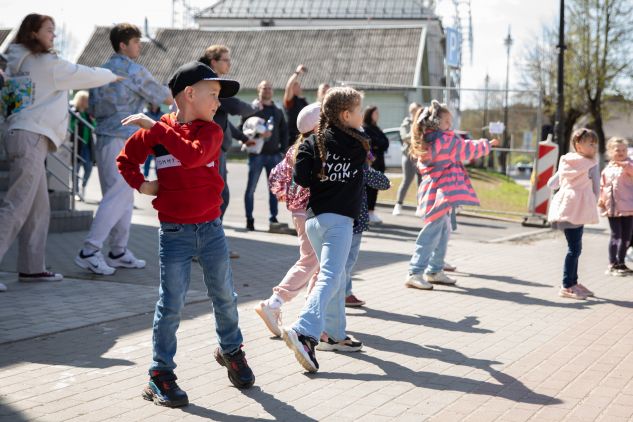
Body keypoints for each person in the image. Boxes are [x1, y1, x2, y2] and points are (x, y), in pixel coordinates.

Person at [117, 61, 255, 407]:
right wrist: (143, 184)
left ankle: (231, 351)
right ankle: (159, 375)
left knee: (224, 295)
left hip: (211, 230)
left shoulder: (211, 131)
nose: (218, 103)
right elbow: (125, 160)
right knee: (172, 304)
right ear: (189, 94)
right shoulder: (157, 131)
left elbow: (193, 157)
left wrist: (156, 129)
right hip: (174, 232)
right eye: (213, 95)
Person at [0, 14, 118, 287]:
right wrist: (112, 75)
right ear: (33, 33)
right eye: (49, 30)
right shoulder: (46, 64)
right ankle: (30, 266)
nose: (53, 35)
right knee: (16, 206)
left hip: (25, 136)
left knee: (39, 209)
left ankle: (32, 268)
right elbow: (82, 74)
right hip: (31, 137)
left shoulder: (18, 61)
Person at [281, 87, 369, 373]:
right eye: (359, 110)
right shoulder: (358, 142)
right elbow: (365, 151)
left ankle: (335, 335)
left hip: (314, 222)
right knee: (331, 276)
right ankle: (305, 330)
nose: (362, 115)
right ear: (346, 115)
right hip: (338, 223)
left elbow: (302, 179)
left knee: (336, 276)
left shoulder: (310, 143)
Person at [74, 23, 172, 276]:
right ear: (123, 45)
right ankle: (89, 251)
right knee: (119, 195)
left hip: (104, 138)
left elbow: (92, 108)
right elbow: (163, 96)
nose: (139, 46)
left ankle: (117, 251)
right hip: (123, 139)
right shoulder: (132, 69)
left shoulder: (101, 71)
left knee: (121, 196)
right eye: (136, 42)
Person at [405, 100, 498, 290]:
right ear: (437, 123)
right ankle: (415, 272)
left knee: (442, 232)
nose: (451, 125)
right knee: (432, 233)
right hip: (439, 194)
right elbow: (466, 148)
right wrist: (486, 144)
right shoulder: (443, 141)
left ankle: (434, 270)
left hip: (440, 193)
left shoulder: (432, 140)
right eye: (447, 122)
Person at [255, 102, 321, 337]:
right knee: (310, 261)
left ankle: (313, 315)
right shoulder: (314, 148)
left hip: (299, 212)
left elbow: (276, 178)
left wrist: (288, 200)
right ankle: (274, 303)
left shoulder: (295, 148)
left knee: (318, 266)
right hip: (310, 212)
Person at [547, 128, 599, 300]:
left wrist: (567, 187)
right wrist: (589, 201)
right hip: (580, 208)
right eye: (590, 144)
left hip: (566, 207)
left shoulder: (566, 160)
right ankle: (567, 285)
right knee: (574, 248)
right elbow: (596, 190)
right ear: (578, 145)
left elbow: (552, 184)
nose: (594, 147)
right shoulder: (592, 164)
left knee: (575, 247)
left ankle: (573, 282)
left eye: (595, 144)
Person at [243, 80, 289, 231]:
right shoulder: (252, 108)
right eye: (264, 88)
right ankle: (249, 220)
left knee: (274, 190)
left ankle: (273, 219)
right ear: (259, 90)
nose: (267, 90)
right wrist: (257, 133)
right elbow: (242, 129)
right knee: (251, 189)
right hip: (256, 155)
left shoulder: (277, 110)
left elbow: (284, 132)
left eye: (270, 88)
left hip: (274, 155)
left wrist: (283, 151)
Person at [344, 166, 391, 307]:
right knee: (346, 261)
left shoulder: (327, 160)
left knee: (327, 260)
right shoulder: (358, 165)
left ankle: (340, 292)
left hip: (326, 217)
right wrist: (365, 163)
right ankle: (341, 294)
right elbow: (384, 182)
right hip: (353, 220)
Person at [598, 137, 633, 276]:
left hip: (629, 207)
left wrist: (626, 165)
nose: (621, 152)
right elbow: (603, 186)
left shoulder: (630, 164)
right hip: (613, 208)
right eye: (617, 150)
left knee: (627, 237)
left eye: (624, 150)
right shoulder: (608, 168)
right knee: (616, 235)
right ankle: (612, 263)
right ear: (610, 151)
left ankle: (621, 262)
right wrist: (601, 200)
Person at [393, 102, 422, 216]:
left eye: (418, 110)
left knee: (421, 182)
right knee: (406, 181)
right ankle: (398, 204)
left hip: (420, 156)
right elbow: (405, 137)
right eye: (414, 111)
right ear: (411, 112)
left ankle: (420, 206)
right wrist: (415, 130)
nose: (417, 113)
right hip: (408, 156)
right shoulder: (406, 123)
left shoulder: (422, 123)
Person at [362, 105, 390, 224]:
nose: (377, 115)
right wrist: (377, 145)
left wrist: (378, 145)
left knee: (375, 188)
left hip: (380, 162)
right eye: (375, 113)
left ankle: (371, 211)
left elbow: (385, 142)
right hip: (371, 162)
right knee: (369, 188)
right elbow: (372, 143)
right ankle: (367, 211)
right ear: (369, 114)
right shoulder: (365, 128)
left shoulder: (376, 128)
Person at [70, 90, 97, 200]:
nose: (87, 102)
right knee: (76, 169)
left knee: (88, 168)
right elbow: (71, 126)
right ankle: (75, 191)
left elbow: (94, 126)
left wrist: (93, 121)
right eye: (85, 100)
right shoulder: (73, 112)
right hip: (77, 145)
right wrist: (75, 120)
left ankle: (83, 187)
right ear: (81, 101)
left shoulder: (87, 114)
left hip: (87, 146)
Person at [283, 64, 309, 143]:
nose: (299, 87)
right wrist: (297, 72)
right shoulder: (290, 100)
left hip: (304, 136)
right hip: (293, 138)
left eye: (298, 85)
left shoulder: (303, 101)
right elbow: (289, 86)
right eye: (295, 85)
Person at [142, 103, 163, 178]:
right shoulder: (145, 114)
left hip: (159, 143)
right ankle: (145, 177)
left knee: (158, 161)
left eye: (156, 103)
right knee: (147, 161)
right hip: (148, 142)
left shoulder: (162, 114)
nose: (155, 105)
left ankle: (159, 178)